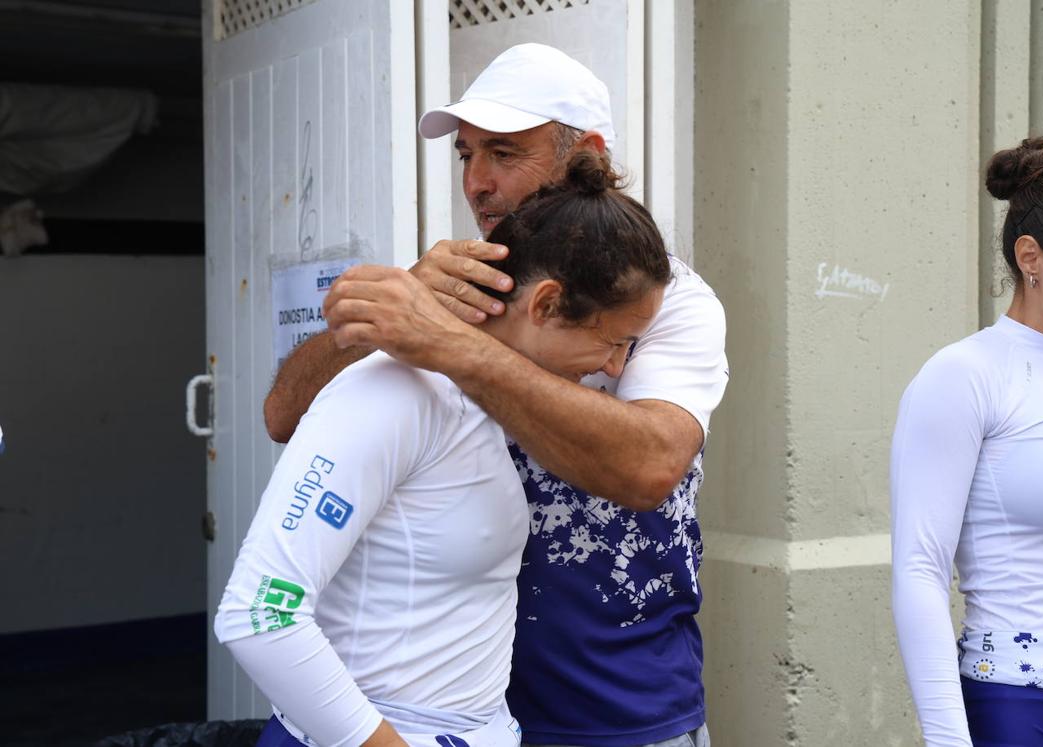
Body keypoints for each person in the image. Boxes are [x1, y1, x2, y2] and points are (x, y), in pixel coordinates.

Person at [264, 44, 728, 747]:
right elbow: (282, 417)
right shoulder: (445, 286)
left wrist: (449, 344)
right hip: (444, 715)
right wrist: (389, 312)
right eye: (466, 155)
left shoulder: (668, 299)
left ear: (586, 155)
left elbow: (649, 465)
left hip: (621, 708)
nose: (476, 182)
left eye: (504, 153)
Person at [214, 153, 673, 747]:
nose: (614, 367)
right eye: (614, 341)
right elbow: (259, 615)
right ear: (544, 304)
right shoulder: (394, 391)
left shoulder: (485, 402)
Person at [891, 137, 1043, 746]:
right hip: (1024, 706)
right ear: (1031, 257)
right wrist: (947, 738)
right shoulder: (964, 375)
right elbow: (920, 569)